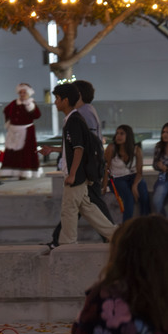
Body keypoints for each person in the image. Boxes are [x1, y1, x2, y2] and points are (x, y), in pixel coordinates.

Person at [52, 82, 117, 247]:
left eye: (57, 99)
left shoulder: (75, 119)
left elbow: (79, 148)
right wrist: (51, 149)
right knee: (88, 208)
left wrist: (72, 174)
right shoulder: (76, 117)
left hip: (77, 175)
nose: (55, 102)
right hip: (82, 174)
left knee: (69, 210)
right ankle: (116, 234)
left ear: (66, 100)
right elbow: (74, 146)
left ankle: (67, 243)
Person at [105, 124, 151, 222]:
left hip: (133, 177)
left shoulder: (136, 150)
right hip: (117, 178)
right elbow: (106, 168)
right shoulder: (111, 148)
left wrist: (134, 185)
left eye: (122, 134)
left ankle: (146, 223)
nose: (118, 136)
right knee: (129, 198)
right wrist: (104, 186)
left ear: (128, 136)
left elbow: (139, 172)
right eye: (117, 133)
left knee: (144, 194)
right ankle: (126, 228)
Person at [0, 82, 42, 179]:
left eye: (24, 92)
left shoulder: (31, 104)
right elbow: (6, 110)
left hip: (26, 131)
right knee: (11, 152)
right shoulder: (14, 103)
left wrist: (30, 107)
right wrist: (9, 121)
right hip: (13, 131)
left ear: (28, 93)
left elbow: (37, 115)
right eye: (20, 92)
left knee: (25, 154)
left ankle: (25, 172)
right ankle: (9, 172)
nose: (22, 94)